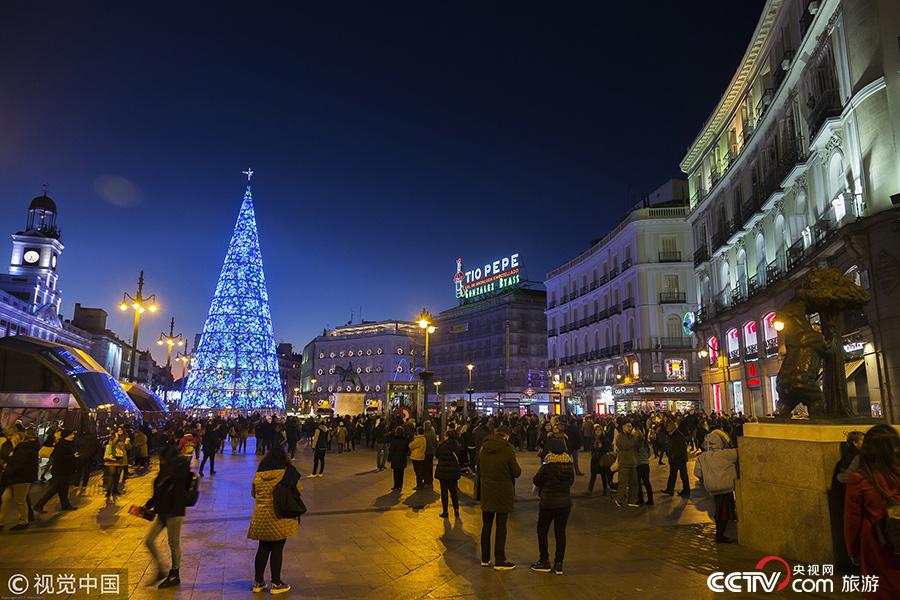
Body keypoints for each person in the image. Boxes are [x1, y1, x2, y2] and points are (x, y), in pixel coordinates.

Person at [844, 424, 900, 599]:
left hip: (877, 544)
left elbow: (852, 520)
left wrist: (853, 551)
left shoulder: (860, 478)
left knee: (879, 587)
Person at [248, 446, 302, 595]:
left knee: (263, 548)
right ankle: (276, 583)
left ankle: (258, 582)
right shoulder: (286, 472)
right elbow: (299, 488)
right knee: (277, 548)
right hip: (280, 516)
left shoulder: (259, 474)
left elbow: (254, 493)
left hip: (262, 516)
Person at [144, 445, 192, 589]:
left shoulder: (179, 470)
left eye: (162, 458)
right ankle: (161, 569)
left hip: (174, 512)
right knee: (149, 540)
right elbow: (159, 491)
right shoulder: (164, 471)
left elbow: (178, 486)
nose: (160, 461)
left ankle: (175, 573)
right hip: (162, 512)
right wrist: (149, 504)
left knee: (173, 543)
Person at [478, 425, 521, 570]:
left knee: (486, 526)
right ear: (506, 436)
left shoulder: (483, 448)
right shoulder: (508, 448)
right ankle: (500, 560)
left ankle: (484, 558)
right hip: (503, 492)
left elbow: (478, 467)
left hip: (487, 491)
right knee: (501, 527)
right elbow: (516, 472)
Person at [530, 437, 574, 575]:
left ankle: (544, 561)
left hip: (548, 503)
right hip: (565, 503)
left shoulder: (547, 466)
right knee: (560, 533)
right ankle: (559, 563)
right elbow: (571, 482)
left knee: (542, 531)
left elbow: (536, 480)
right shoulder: (569, 465)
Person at [694, 427, 738, 543]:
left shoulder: (702, 457)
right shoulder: (727, 454)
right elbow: (740, 452)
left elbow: (697, 473)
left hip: (713, 489)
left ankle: (721, 531)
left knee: (720, 509)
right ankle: (720, 535)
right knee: (725, 511)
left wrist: (707, 477)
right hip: (726, 487)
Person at [1, 428, 39, 530]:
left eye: (11, 437)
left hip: (21, 478)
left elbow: (18, 464)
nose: (9, 439)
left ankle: (23, 522)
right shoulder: (19, 449)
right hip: (12, 478)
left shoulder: (23, 449)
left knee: (20, 501)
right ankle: (1, 521)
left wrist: (10, 460)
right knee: (4, 499)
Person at [34, 429, 78, 513]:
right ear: (67, 436)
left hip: (66, 471)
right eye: (71, 434)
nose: (73, 436)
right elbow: (58, 457)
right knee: (55, 489)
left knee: (63, 489)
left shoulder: (67, 444)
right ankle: (39, 505)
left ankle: (65, 505)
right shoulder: (61, 445)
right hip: (61, 471)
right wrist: (72, 456)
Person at [434, 429, 462, 518]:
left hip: (443, 471)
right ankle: (456, 510)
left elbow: (437, 455)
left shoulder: (443, 445)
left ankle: (445, 511)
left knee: (444, 492)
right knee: (454, 491)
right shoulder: (457, 445)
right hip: (453, 471)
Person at [613, 421, 640, 508]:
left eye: (631, 426)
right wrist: (636, 438)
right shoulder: (620, 437)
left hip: (633, 462)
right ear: (623, 427)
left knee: (634, 483)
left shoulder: (632, 437)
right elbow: (627, 445)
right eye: (628, 426)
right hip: (624, 463)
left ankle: (632, 500)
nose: (630, 428)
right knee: (623, 483)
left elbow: (638, 446)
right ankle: (619, 499)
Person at [660, 420, 691, 498]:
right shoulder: (671, 435)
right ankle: (670, 489)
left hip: (680, 459)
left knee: (683, 475)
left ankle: (686, 490)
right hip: (674, 459)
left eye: (668, 426)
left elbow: (683, 447)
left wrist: (675, 455)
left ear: (672, 427)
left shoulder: (678, 435)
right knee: (672, 475)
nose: (667, 428)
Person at [388, 427, 409, 491]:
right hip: (402, 458)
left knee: (396, 473)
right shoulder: (405, 440)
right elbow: (407, 449)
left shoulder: (394, 440)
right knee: (401, 473)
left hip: (395, 458)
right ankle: (400, 485)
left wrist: (389, 458)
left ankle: (396, 485)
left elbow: (391, 450)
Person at [423, 420, 437, 487]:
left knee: (425, 467)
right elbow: (435, 441)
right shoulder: (433, 431)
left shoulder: (424, 433)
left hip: (426, 451)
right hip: (431, 451)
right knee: (430, 466)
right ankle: (430, 481)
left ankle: (426, 480)